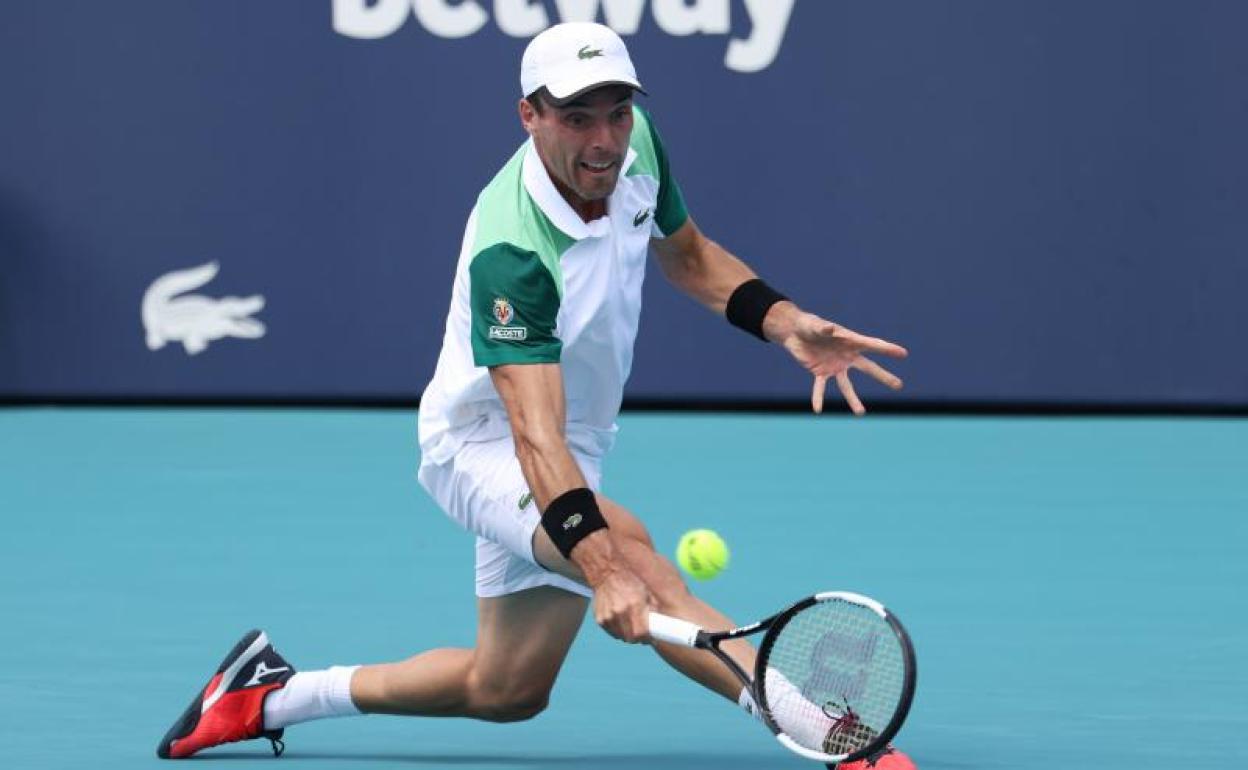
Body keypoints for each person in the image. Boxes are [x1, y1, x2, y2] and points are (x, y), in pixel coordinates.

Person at [156, 22, 913, 769]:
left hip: (571, 446)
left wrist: (784, 323)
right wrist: (608, 570)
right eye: (577, 117)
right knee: (638, 559)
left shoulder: (635, 145)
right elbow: (534, 438)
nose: (605, 141)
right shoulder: (513, 251)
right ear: (530, 115)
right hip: (483, 447)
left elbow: (687, 255)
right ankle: (826, 733)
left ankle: (268, 696)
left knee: (508, 687)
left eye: (616, 112)